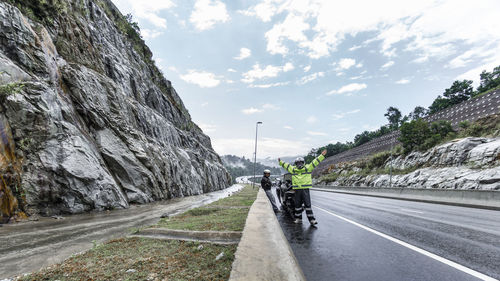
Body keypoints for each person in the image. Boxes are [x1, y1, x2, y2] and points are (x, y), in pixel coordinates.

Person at [279, 150, 326, 225]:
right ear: (296, 164)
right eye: (298, 163)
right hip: (297, 190)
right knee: (297, 205)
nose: (299, 164)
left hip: (305, 190)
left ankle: (312, 220)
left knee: (308, 205)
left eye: (301, 162)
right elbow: (286, 166)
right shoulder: (293, 169)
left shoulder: (308, 168)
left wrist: (322, 155)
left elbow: (315, 162)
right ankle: (298, 219)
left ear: (303, 163)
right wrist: (280, 162)